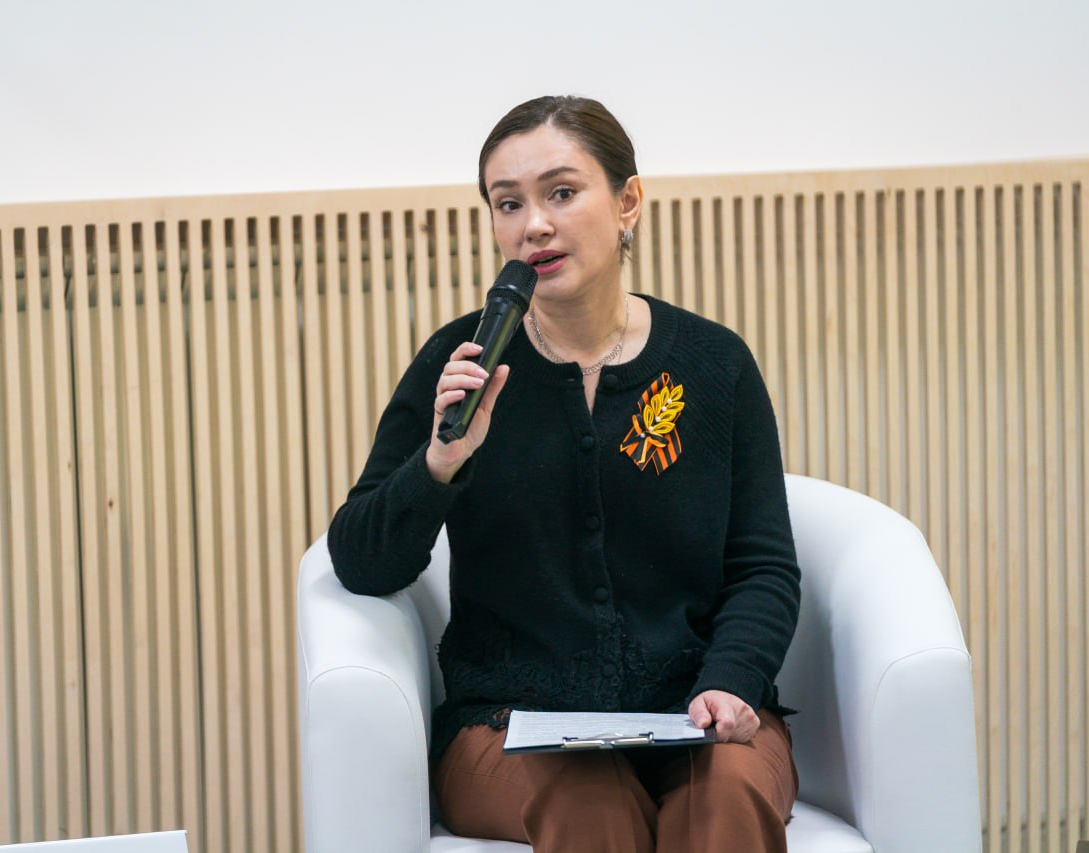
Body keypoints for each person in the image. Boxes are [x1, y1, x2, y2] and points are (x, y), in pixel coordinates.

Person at [328, 95, 801, 852]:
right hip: (510, 725)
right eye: (508, 203)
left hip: (696, 709)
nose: (534, 225)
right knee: (590, 804)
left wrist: (733, 679)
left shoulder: (714, 364)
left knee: (728, 797)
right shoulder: (461, 362)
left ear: (627, 201)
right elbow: (361, 560)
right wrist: (439, 463)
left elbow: (762, 564)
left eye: (561, 192)